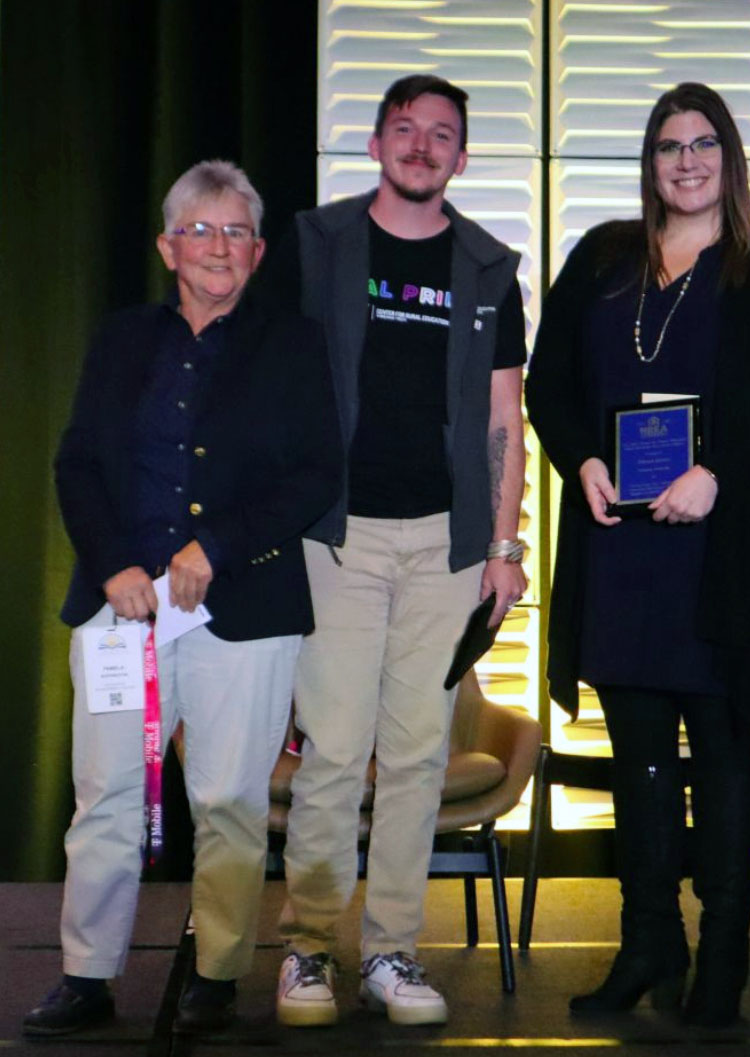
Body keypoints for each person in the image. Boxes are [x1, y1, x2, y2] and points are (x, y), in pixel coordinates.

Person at [525, 82, 750, 1028]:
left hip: (715, 554)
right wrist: (581, 461)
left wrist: (719, 474)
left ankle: (722, 964)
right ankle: (650, 941)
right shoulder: (605, 257)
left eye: (703, 145)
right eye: (667, 147)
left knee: (726, 758)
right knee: (638, 758)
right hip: (620, 552)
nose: (685, 162)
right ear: (648, 163)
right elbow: (547, 383)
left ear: (729, 160)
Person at [22, 160, 342, 1038]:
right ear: (168, 246)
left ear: (260, 249)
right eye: (199, 229)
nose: (218, 247)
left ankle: (218, 969)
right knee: (107, 796)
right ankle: (87, 974)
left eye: (236, 231)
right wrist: (118, 564)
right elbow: (77, 462)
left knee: (233, 799)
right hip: (122, 610)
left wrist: (219, 545)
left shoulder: (295, 342)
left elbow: (317, 472)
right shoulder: (122, 337)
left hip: (244, 607)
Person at [265, 74, 527, 1029]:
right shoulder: (314, 245)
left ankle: (389, 951)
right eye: (406, 129)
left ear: (462, 157)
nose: (422, 145)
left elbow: (507, 416)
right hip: (335, 537)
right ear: (375, 143)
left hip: (447, 548)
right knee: (332, 752)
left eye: (443, 134)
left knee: (416, 756)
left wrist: (504, 545)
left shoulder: (490, 266)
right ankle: (308, 952)